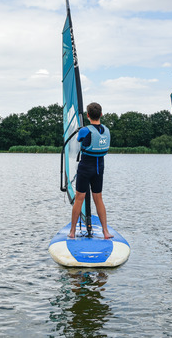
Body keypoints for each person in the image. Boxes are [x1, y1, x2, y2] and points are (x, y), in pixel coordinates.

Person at [68, 102, 114, 239]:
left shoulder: (84, 130)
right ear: (101, 114)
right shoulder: (106, 130)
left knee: (79, 198)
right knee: (98, 198)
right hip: (99, 168)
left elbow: (79, 139)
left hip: (86, 167)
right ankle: (106, 232)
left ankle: (72, 232)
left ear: (88, 115)